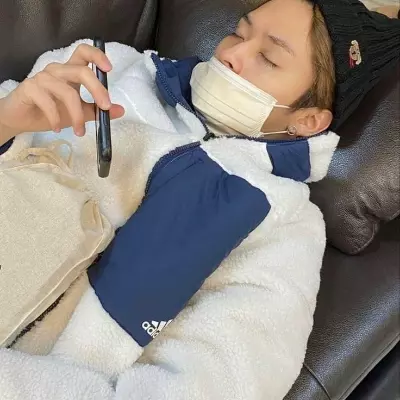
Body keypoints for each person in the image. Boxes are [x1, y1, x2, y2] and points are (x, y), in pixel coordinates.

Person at [0, 0, 399, 399]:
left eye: (268, 58)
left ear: (307, 120)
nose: (230, 55)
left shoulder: (284, 225)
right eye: (238, 33)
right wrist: (5, 122)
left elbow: (210, 387)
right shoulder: (109, 67)